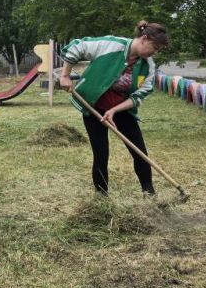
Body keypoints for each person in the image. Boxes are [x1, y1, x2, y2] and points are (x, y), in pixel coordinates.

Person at [59, 21, 170, 195]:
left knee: (139, 151)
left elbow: (140, 94)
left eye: (158, 50)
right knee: (101, 153)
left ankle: (149, 194)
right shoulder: (111, 45)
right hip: (94, 107)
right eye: (154, 47)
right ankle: (101, 197)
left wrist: (114, 110)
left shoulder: (148, 65)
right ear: (144, 38)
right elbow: (76, 47)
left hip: (121, 110)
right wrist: (65, 75)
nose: (154, 53)